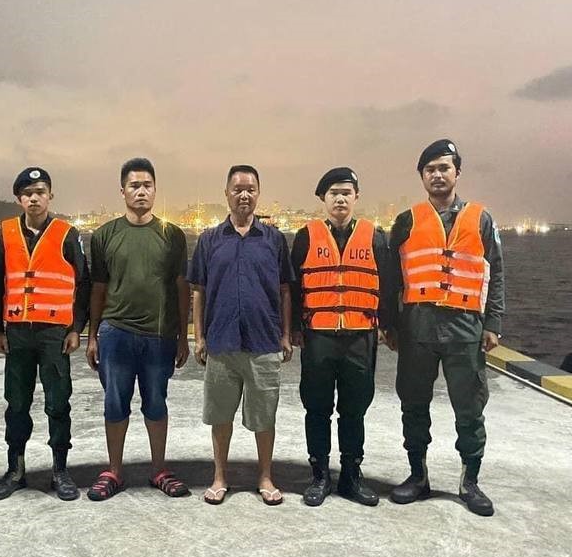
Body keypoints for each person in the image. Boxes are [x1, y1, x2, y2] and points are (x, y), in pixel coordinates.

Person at [385, 139, 505, 517]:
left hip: (465, 329)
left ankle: (470, 482)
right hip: (417, 328)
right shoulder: (407, 220)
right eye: (430, 169)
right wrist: (390, 324)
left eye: (444, 168)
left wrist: (493, 323)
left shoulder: (481, 219)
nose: (437, 175)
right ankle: (417, 475)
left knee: (470, 408)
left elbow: (495, 272)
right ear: (422, 176)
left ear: (457, 172)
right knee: (413, 404)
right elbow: (390, 278)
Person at [85, 158, 191, 501]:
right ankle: (114, 471)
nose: (141, 191)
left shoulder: (172, 236)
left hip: (159, 337)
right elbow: (98, 288)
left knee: (156, 402)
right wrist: (92, 336)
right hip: (115, 333)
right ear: (122, 191)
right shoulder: (104, 235)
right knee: (114, 403)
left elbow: (181, 287)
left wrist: (182, 336)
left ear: (155, 190)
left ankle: (159, 469)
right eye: (134, 186)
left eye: (147, 185)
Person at [190, 165, 293, 506]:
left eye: (250, 189)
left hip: (264, 342)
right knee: (220, 416)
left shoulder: (274, 240)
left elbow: (284, 290)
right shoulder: (209, 240)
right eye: (237, 189)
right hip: (221, 343)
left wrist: (285, 335)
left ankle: (265, 476)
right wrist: (199, 338)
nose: (244, 195)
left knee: (264, 416)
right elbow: (199, 291)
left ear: (258, 193)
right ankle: (220, 476)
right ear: (227, 194)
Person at [290, 167, 393, 506]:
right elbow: (293, 287)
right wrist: (294, 328)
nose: (340, 199)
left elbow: (387, 285)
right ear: (323, 198)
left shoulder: (375, 237)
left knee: (355, 409)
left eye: (346, 193)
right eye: (334, 193)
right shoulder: (306, 236)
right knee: (316, 407)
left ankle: (351, 475)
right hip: (318, 337)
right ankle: (320, 475)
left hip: (360, 337)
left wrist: (387, 326)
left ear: (356, 197)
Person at [0, 167, 90, 502]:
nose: (34, 198)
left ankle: (60, 470)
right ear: (19, 198)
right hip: (17, 332)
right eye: (28, 193)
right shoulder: (5, 234)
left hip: (53, 334)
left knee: (58, 403)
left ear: (50, 196)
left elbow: (83, 284)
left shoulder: (67, 234)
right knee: (17, 403)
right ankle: (15, 470)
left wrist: (76, 329)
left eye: (40, 192)